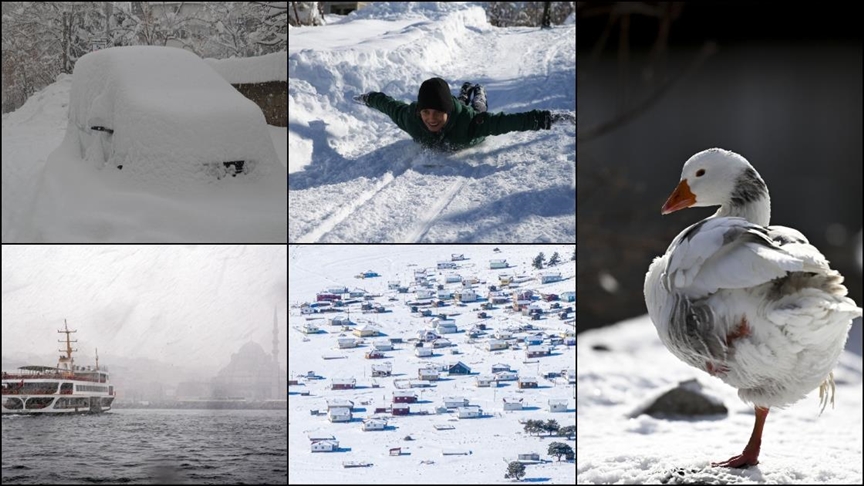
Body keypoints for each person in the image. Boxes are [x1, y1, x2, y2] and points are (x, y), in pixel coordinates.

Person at [352, 77, 574, 152]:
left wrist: (549, 118)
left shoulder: (472, 124)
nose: (430, 118)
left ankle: (477, 91)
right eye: (426, 112)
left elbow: (510, 122)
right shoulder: (412, 118)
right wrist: (368, 98)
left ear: (445, 111)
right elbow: (388, 104)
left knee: (478, 106)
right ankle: (463, 92)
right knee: (456, 104)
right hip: (454, 109)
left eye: (437, 113)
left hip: (468, 115)